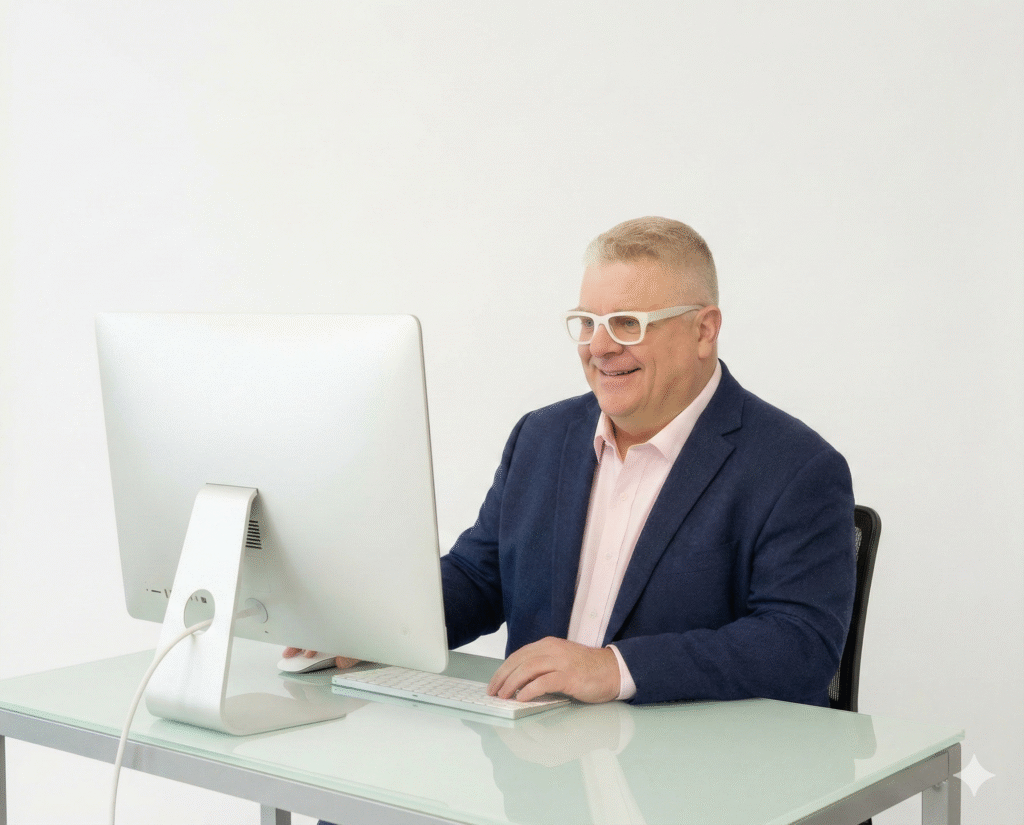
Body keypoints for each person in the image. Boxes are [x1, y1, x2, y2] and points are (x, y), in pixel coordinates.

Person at [292, 216, 856, 710]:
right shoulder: (542, 437)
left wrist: (613, 668)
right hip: (538, 763)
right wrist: (371, 624)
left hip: (686, 778)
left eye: (628, 323)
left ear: (704, 330)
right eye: (587, 322)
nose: (600, 347)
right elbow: (480, 577)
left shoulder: (797, 470)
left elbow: (798, 644)